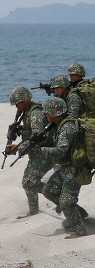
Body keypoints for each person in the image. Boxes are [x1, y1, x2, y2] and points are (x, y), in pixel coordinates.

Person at [41, 97, 89, 239]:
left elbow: (61, 151)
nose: (46, 115)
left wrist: (41, 150)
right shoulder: (59, 124)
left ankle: (80, 231)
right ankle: (79, 213)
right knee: (48, 191)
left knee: (66, 202)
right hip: (65, 167)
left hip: (74, 169)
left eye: (47, 113)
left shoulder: (67, 127)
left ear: (54, 113)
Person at [7, 87, 54, 218]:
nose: (16, 105)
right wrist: (21, 131)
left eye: (18, 102)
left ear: (26, 100)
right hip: (38, 152)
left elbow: (37, 136)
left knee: (28, 182)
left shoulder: (35, 113)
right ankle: (55, 195)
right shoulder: (27, 111)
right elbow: (31, 132)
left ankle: (56, 195)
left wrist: (19, 147)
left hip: (44, 152)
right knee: (30, 182)